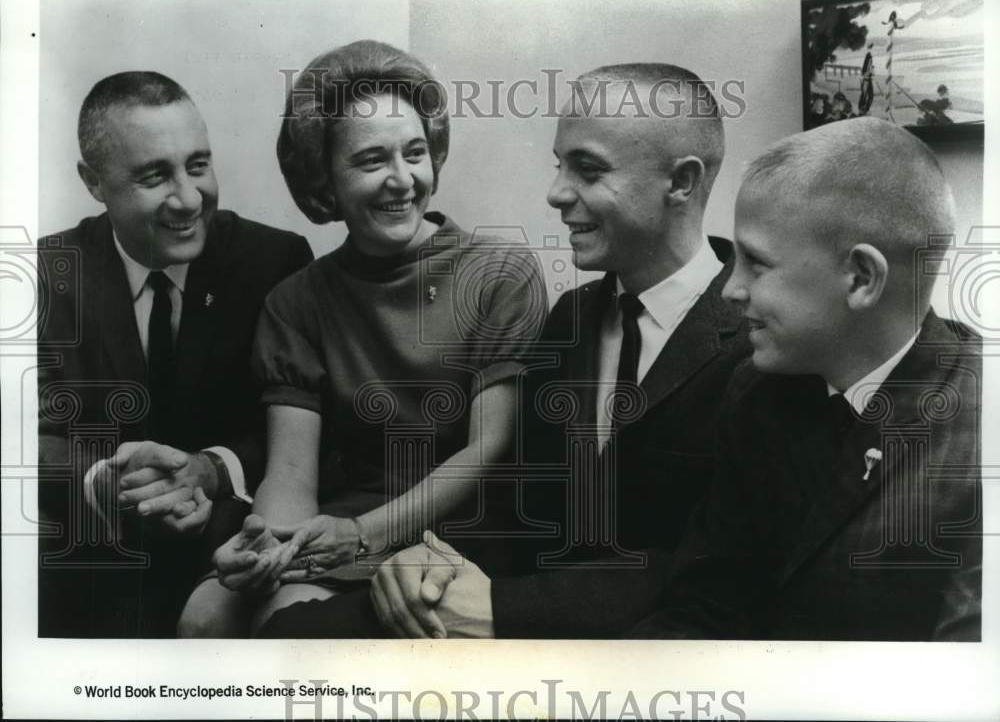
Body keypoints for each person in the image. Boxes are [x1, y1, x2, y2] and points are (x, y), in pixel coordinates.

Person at [288, 63, 751, 639]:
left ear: (681, 183)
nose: (556, 193)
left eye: (587, 169)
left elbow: (719, 572)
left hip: (635, 651)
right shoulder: (573, 319)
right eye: (559, 166)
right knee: (288, 635)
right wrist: (427, 561)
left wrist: (504, 610)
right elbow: (518, 504)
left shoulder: (759, 345)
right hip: (510, 610)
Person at [178, 40, 547, 636]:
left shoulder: (501, 273)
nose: (402, 180)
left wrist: (361, 536)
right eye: (372, 160)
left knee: (287, 625)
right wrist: (267, 547)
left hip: (456, 529)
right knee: (204, 618)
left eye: (415, 153)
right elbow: (292, 471)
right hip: (339, 526)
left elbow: (488, 449)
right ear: (325, 181)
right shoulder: (295, 301)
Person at [628, 116, 981, 640]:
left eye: (757, 263)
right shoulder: (756, 392)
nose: (731, 289)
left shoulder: (979, 437)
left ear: (861, 279)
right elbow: (708, 602)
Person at [37, 71, 313, 637]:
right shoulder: (43, 274)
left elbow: (299, 432)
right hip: (86, 569)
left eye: (198, 165)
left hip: (228, 560)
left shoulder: (275, 261)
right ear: (93, 182)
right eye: (154, 175)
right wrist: (102, 483)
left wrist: (210, 470)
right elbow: (22, 436)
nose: (188, 199)